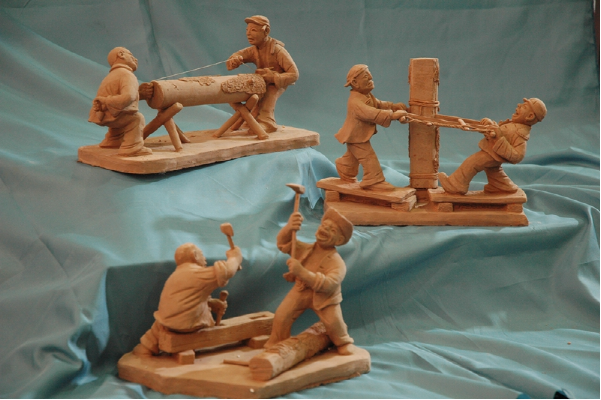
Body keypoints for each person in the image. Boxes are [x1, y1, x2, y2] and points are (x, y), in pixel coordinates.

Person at [264, 208, 356, 355]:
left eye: (332, 230)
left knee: (334, 323)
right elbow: (283, 243)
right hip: (301, 290)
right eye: (324, 225)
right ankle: (277, 342)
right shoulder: (305, 249)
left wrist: (301, 272)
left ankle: (343, 342)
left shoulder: (337, 263)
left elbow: (327, 284)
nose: (325, 229)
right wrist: (289, 227)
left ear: (339, 240)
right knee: (282, 315)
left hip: (325, 299)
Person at [133, 243, 243, 356]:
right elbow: (225, 271)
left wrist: (211, 303)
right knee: (173, 322)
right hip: (185, 325)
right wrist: (235, 258)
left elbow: (187, 298)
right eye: (202, 254)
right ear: (194, 255)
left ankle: (145, 347)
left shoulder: (178, 274)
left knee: (162, 324)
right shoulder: (194, 272)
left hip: (170, 321)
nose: (205, 258)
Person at [439, 98, 547, 195]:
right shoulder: (514, 126)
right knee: (493, 170)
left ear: (530, 116)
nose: (519, 105)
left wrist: (499, 137)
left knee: (471, 163)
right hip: (492, 153)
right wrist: (489, 124)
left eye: (524, 106)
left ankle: (456, 185)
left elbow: (517, 156)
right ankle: (502, 187)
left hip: (493, 155)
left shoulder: (520, 134)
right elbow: (498, 131)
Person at [335, 64, 408, 191]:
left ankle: (344, 167)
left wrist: (393, 106)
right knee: (369, 158)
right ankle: (373, 181)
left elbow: (379, 104)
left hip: (358, 136)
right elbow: (371, 113)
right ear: (355, 83)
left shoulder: (366, 96)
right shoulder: (355, 102)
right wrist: (392, 115)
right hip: (355, 137)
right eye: (366, 76)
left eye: (370, 75)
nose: (371, 78)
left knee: (352, 158)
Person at [226, 15, 299, 135]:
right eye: (247, 30)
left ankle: (267, 122)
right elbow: (239, 54)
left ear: (266, 31)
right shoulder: (254, 49)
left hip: (276, 84)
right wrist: (235, 59)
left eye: (253, 30)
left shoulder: (277, 50)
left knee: (268, 94)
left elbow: (294, 74)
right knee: (243, 93)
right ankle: (249, 117)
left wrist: (273, 78)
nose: (248, 34)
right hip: (260, 82)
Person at [88, 47, 152, 156]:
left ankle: (113, 140)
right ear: (121, 54)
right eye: (131, 55)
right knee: (136, 118)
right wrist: (106, 101)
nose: (135, 59)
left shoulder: (112, 75)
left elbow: (121, 96)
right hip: (110, 114)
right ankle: (131, 147)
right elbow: (128, 97)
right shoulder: (127, 74)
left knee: (122, 116)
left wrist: (141, 94)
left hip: (102, 115)